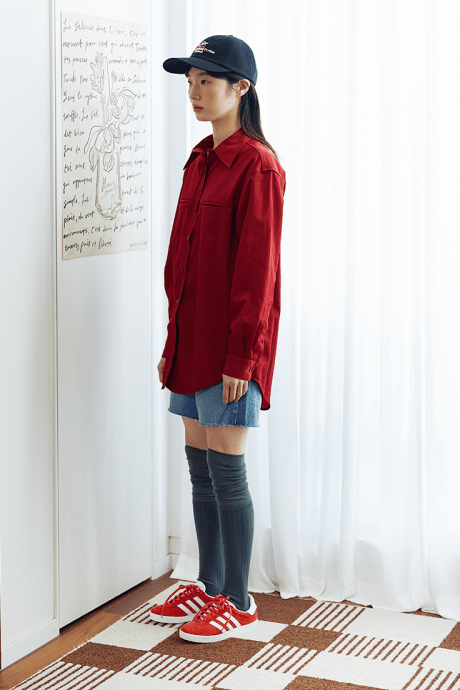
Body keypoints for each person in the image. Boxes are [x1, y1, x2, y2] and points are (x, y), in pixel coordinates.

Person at [150, 35, 285, 643]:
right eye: (190, 81)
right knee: (199, 467)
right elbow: (181, 265)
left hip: (231, 352)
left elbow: (258, 274)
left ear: (241, 88)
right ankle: (207, 585)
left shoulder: (258, 165)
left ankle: (238, 599)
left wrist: (242, 358)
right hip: (191, 343)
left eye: (207, 80)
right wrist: (171, 343)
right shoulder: (200, 158)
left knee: (227, 473)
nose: (195, 91)